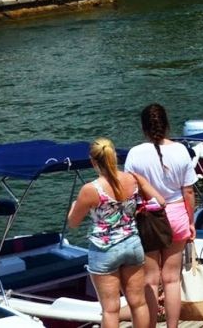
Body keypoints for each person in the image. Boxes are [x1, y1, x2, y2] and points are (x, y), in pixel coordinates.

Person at [67, 138, 158, 328]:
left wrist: (74, 206)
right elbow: (151, 199)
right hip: (132, 243)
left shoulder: (91, 189)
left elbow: (73, 223)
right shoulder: (132, 179)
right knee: (138, 302)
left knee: (110, 309)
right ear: (114, 156)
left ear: (93, 161)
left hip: (105, 249)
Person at [125, 104, 197, 328]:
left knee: (150, 279)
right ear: (167, 125)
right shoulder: (181, 151)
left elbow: (129, 191)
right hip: (177, 214)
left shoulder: (135, 154)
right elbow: (188, 191)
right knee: (172, 278)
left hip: (148, 217)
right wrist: (191, 220)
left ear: (144, 128)